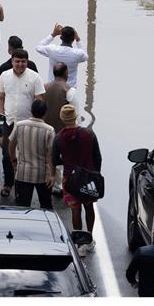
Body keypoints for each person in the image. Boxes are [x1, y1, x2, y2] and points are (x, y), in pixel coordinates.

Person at [0, 48, 45, 197]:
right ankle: (8, 183)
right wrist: (1, 114)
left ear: (27, 62)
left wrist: (37, 120)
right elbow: (0, 97)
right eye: (17, 61)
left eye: (23, 62)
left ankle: (22, 185)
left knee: (26, 155)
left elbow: (40, 99)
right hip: (9, 122)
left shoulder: (35, 77)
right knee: (6, 154)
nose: (20, 64)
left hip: (27, 123)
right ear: (12, 61)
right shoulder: (5, 76)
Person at [53, 104, 102, 255]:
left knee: (75, 209)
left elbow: (55, 159)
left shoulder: (59, 138)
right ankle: (89, 238)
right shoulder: (89, 134)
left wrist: (67, 161)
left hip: (70, 178)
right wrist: (96, 174)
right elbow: (98, 157)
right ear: (75, 117)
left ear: (62, 119)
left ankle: (79, 240)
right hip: (88, 177)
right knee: (89, 207)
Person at [8, 98, 55, 210]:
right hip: (43, 175)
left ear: (31, 110)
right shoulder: (49, 130)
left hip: (23, 173)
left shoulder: (19, 125)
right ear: (45, 113)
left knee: (22, 208)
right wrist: (52, 175)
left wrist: (14, 161)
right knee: (46, 207)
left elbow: (11, 145)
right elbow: (50, 154)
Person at [35, 23, 89, 87]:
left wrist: (53, 35)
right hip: (70, 89)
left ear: (60, 37)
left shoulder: (52, 49)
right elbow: (86, 56)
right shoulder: (77, 54)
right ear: (73, 38)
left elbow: (38, 47)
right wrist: (78, 39)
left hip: (53, 88)